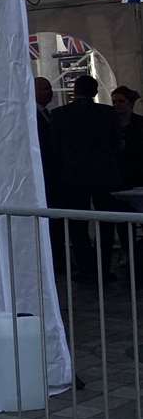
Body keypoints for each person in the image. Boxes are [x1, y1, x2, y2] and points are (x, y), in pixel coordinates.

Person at [50, 74, 123, 281]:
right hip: (104, 176)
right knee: (107, 223)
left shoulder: (60, 114)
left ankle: (85, 268)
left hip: (72, 177)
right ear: (95, 92)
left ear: (74, 91)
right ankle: (104, 267)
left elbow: (55, 149)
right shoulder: (108, 113)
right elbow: (117, 144)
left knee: (77, 224)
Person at [111, 86, 143, 189]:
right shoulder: (109, 125)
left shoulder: (140, 123)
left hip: (138, 173)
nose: (116, 105)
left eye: (121, 101)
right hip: (117, 175)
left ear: (130, 103)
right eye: (114, 102)